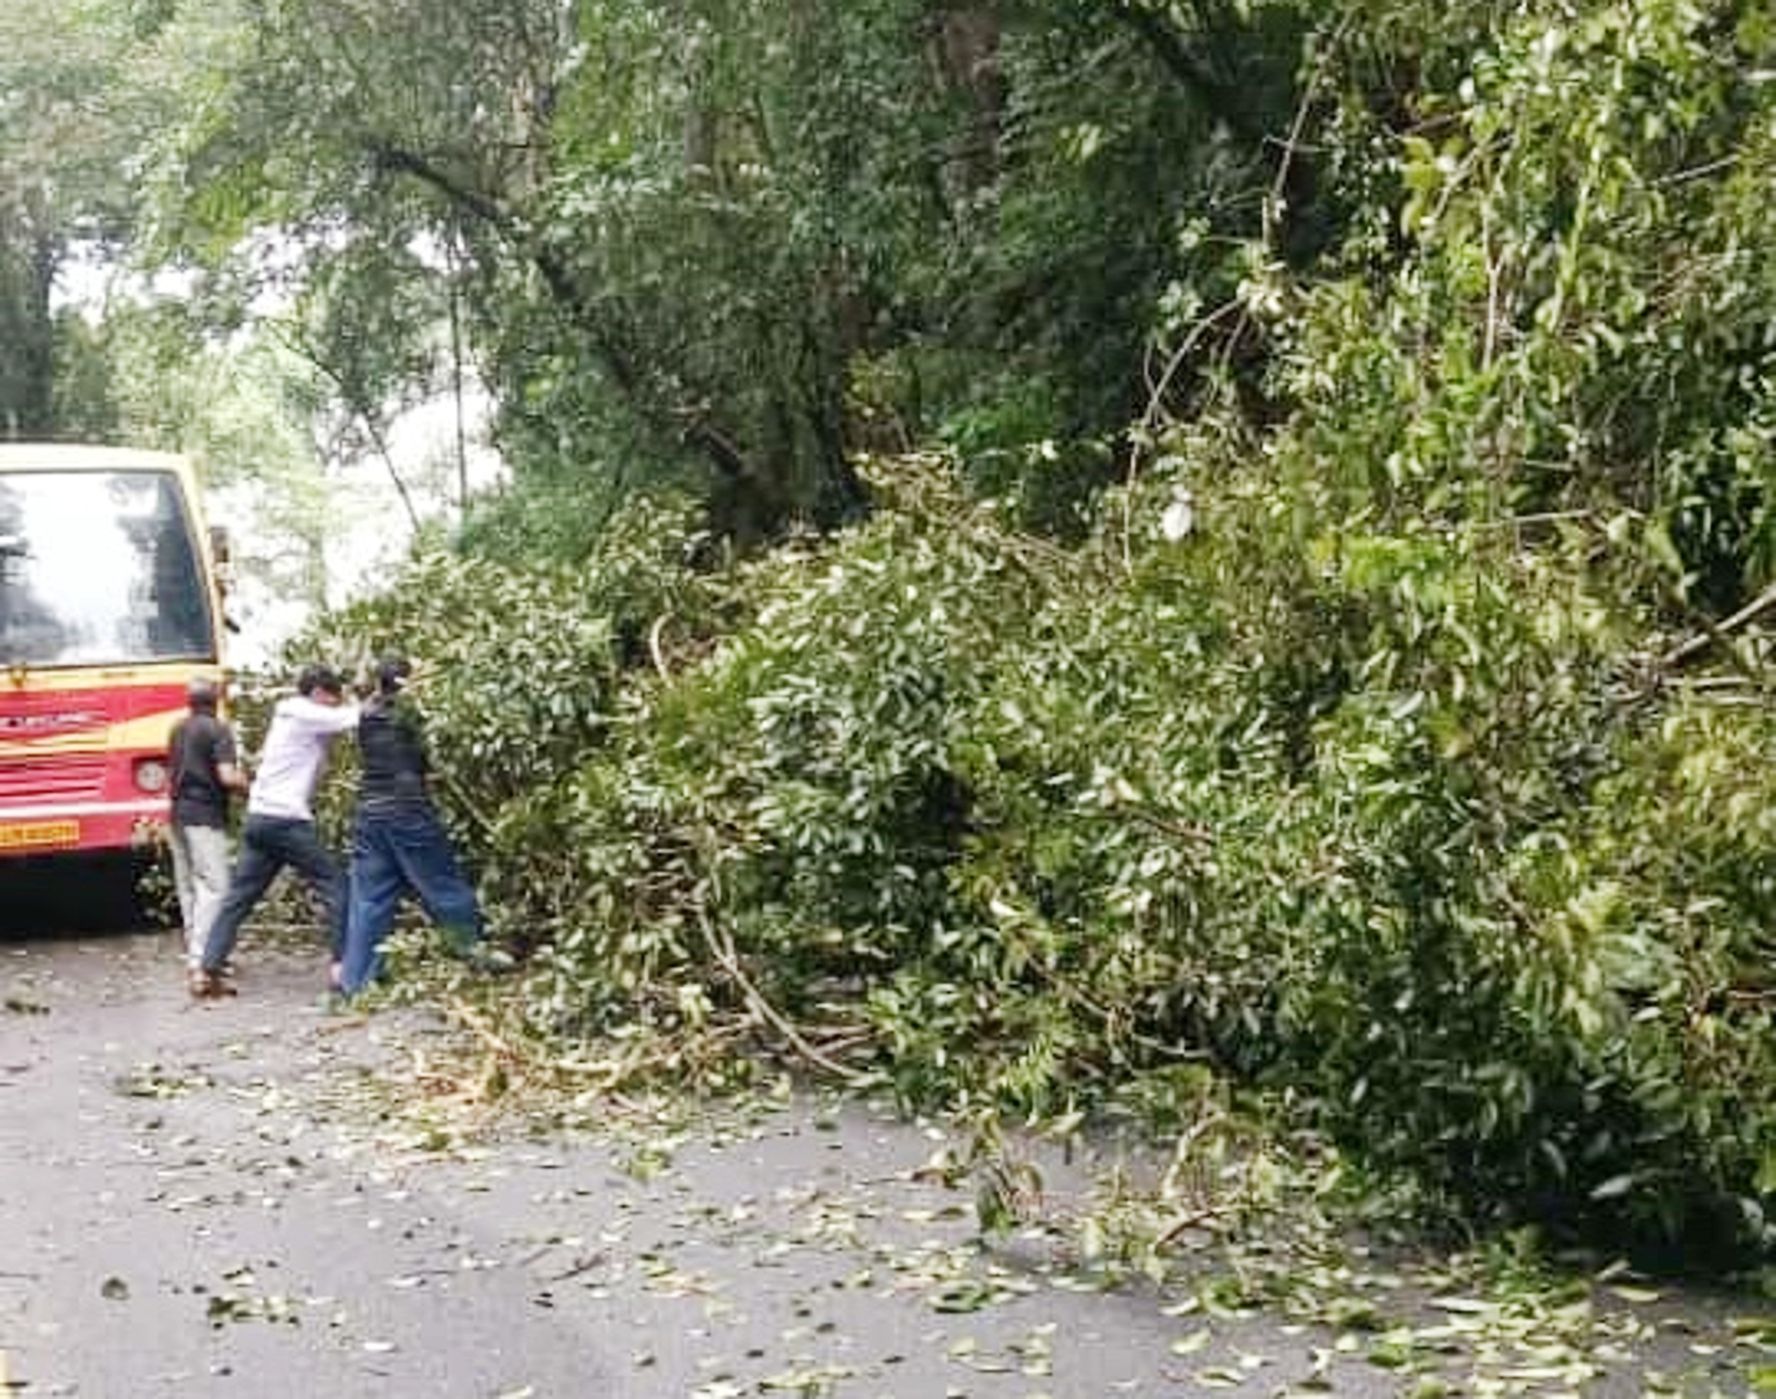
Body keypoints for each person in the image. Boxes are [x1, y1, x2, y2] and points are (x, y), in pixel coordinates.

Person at [338, 655, 506, 997]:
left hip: (370, 814)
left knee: (370, 898)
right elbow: (437, 742)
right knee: (444, 887)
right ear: (405, 685)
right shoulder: (410, 716)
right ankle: (474, 954)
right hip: (407, 812)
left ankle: (355, 984)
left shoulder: (367, 715)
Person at [192, 664, 359, 1000]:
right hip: (285, 820)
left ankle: (206, 969)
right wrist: (389, 692)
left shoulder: (289, 713)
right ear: (317, 694)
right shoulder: (305, 712)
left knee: (239, 899)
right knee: (337, 887)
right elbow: (355, 719)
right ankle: (342, 970)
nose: (333, 704)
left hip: (260, 817)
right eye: (332, 697)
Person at [166, 677, 248, 970]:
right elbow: (226, 776)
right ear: (216, 700)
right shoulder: (218, 730)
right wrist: (250, 785)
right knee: (215, 886)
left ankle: (193, 949)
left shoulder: (178, 728)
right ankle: (205, 956)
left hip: (177, 814)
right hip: (204, 814)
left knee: (187, 884)